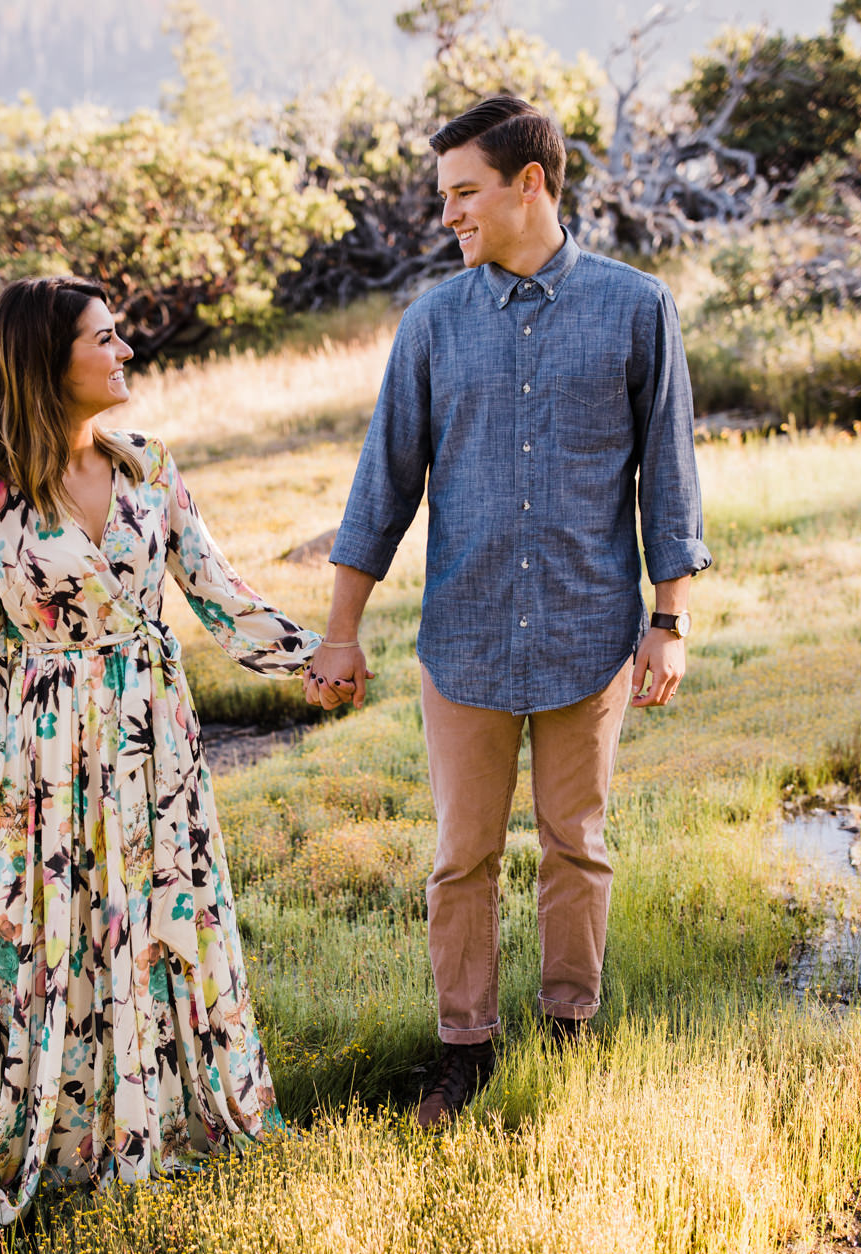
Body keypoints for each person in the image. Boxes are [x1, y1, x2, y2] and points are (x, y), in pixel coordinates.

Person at [303, 96, 713, 1128]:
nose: (448, 215)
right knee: (459, 856)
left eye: (463, 192)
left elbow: (666, 477)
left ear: (529, 183)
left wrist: (670, 618)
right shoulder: (432, 324)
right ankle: (463, 1049)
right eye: (444, 197)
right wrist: (341, 628)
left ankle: (568, 1028)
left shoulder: (635, 308)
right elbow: (380, 487)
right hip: (464, 635)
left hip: (588, 633)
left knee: (576, 842)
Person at [0, 276, 323, 1226]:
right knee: (63, 933)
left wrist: (312, 659)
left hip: (153, 735)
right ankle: (77, 1137)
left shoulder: (149, 468)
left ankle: (174, 1117)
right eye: (106, 338)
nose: (125, 351)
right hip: (46, 757)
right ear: (50, 361)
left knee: (165, 912)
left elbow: (218, 590)